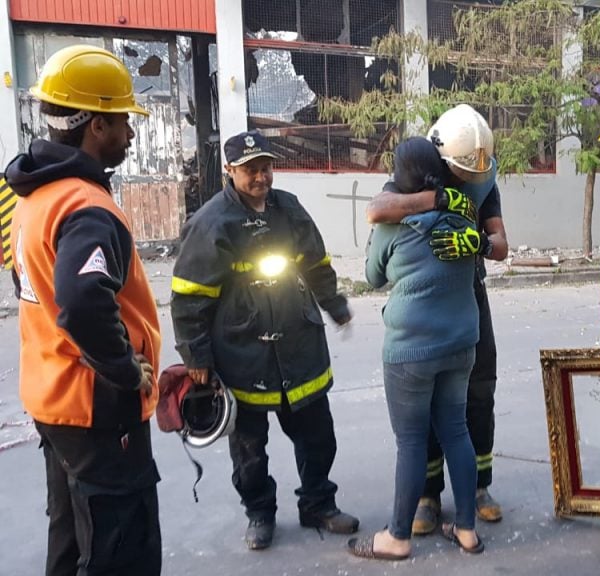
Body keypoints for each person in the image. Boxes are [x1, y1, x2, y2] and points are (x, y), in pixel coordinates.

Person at [5, 45, 162, 575]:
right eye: (122, 122)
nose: (131, 134)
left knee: (71, 533)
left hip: (53, 399)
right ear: (96, 124)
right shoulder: (86, 206)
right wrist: (123, 368)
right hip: (96, 407)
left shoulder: (34, 199)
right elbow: (80, 303)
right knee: (121, 545)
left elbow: (27, 281)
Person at [170, 130, 358, 550]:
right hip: (242, 354)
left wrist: (334, 304)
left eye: (266, 168)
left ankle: (318, 504)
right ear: (230, 171)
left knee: (317, 435)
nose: (261, 177)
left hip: (298, 347)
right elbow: (188, 298)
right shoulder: (212, 223)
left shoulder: (289, 209)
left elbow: (316, 264)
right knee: (249, 450)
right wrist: (195, 355)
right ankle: (259, 512)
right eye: (250, 169)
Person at [365, 104, 509, 535]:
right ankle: (428, 495)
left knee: (478, 393)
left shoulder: (483, 174)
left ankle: (480, 488)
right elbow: (378, 209)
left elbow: (502, 244)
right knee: (426, 409)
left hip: (468, 296)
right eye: (461, 173)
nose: (470, 180)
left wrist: (480, 242)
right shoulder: (417, 171)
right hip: (427, 304)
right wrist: (443, 199)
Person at [349, 137, 484, 561]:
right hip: (461, 342)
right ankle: (466, 531)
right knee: (457, 430)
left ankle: (398, 537)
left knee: (410, 441)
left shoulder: (392, 223)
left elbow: (372, 277)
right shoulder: (464, 211)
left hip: (411, 349)